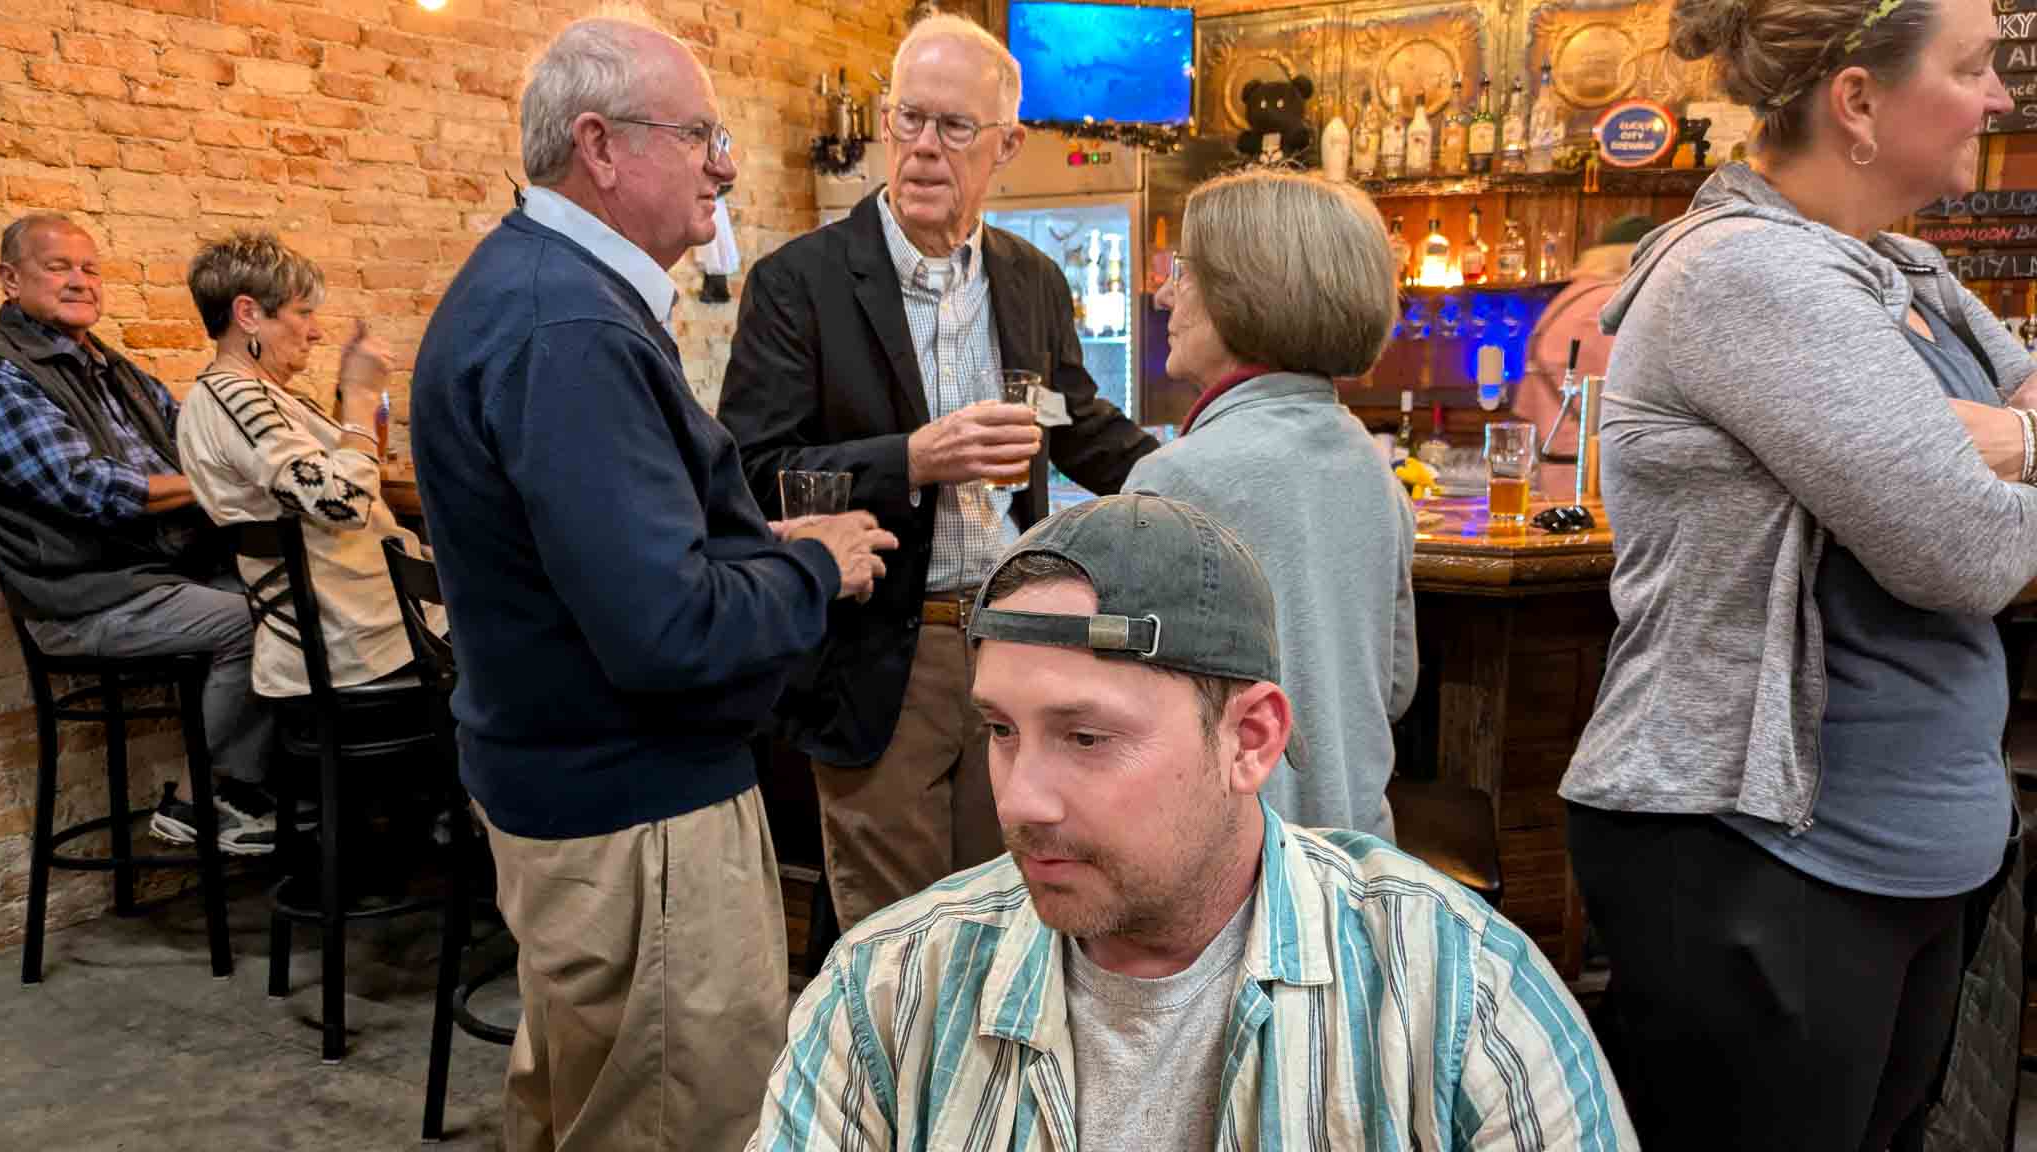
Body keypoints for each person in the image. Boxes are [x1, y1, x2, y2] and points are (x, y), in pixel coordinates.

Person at [748, 493, 1636, 1151]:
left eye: (1087, 736)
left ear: (1250, 739)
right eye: (1002, 731)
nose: (1020, 800)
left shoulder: (1457, 993)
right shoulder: (890, 992)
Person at [408, 16, 895, 1150]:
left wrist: (765, 547)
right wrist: (812, 566)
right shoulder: (568, 326)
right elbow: (665, 629)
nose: (724, 162)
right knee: (683, 1122)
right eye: (700, 134)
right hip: (639, 820)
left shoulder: (544, 290)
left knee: (590, 1107)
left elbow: (624, 566)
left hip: (589, 804)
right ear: (601, 146)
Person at [1562, 0, 2037, 1145]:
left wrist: (2004, 443)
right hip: (1760, 852)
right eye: (1971, 66)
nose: (2000, 97)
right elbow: (1965, 553)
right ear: (1858, 101)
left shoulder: (1903, 271)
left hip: (1907, 843)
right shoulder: (1748, 276)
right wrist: (1993, 445)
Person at [717, 13, 1157, 933]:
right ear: (884, 121)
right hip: (882, 651)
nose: (924, 149)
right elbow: (753, 473)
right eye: (909, 119)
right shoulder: (799, 281)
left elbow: (1078, 426)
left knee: (1012, 919)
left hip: (1018, 643)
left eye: (955, 128)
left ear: (1007, 144)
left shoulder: (1032, 278)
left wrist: (1202, 471)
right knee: (898, 940)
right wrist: (911, 459)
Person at [1123, 170, 1413, 838]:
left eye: (1186, 271)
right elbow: (1395, 689)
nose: (1167, 295)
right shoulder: (1375, 471)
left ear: (1246, 292)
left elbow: (1129, 721)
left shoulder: (1173, 481)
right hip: (1358, 866)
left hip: (1228, 885)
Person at [0, 213, 276, 855]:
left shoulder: (112, 369)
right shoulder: (0, 374)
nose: (80, 281)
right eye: (58, 266)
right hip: (83, 597)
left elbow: (200, 437)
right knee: (259, 621)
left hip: (156, 575)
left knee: (299, 596)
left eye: (90, 269)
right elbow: (83, 486)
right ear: (10, 279)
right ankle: (209, 800)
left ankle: (288, 791)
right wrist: (219, 484)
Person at [175, 231, 441, 699]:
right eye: (303, 313)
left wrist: (347, 394)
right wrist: (359, 397)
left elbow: (328, 475)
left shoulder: (256, 397)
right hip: (365, 646)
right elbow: (344, 503)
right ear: (248, 314)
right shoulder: (238, 401)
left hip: (375, 627)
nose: (316, 331)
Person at [1515, 213, 1652, 497]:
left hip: (1555, 473)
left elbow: (1526, 407)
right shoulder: (1608, 305)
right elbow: (1631, 396)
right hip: (1596, 480)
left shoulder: (1564, 302)